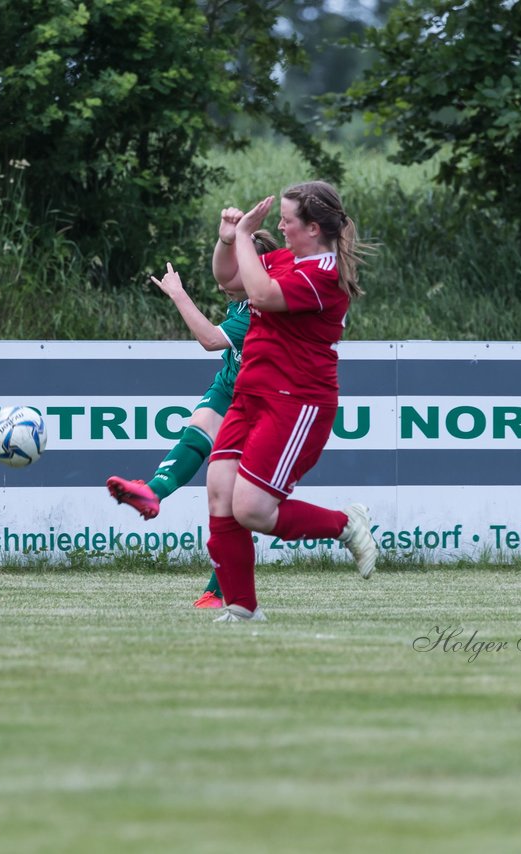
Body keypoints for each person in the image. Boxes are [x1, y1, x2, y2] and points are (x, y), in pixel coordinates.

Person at [203, 180, 377, 623]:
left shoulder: (323, 276)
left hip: (296, 402)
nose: (278, 226)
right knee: (221, 495)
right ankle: (243, 608)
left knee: (253, 509)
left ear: (314, 228)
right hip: (252, 395)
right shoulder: (287, 259)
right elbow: (229, 279)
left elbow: (261, 295)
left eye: (287, 219)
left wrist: (244, 236)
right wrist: (228, 240)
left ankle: (344, 524)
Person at [107, 229, 279, 610]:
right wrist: (228, 234)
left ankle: (219, 591)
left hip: (260, 403)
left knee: (235, 503)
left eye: (236, 269)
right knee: (195, 432)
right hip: (229, 387)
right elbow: (223, 266)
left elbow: (210, 340)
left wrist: (178, 294)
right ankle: (152, 491)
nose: (223, 281)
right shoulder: (241, 295)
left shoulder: (259, 309)